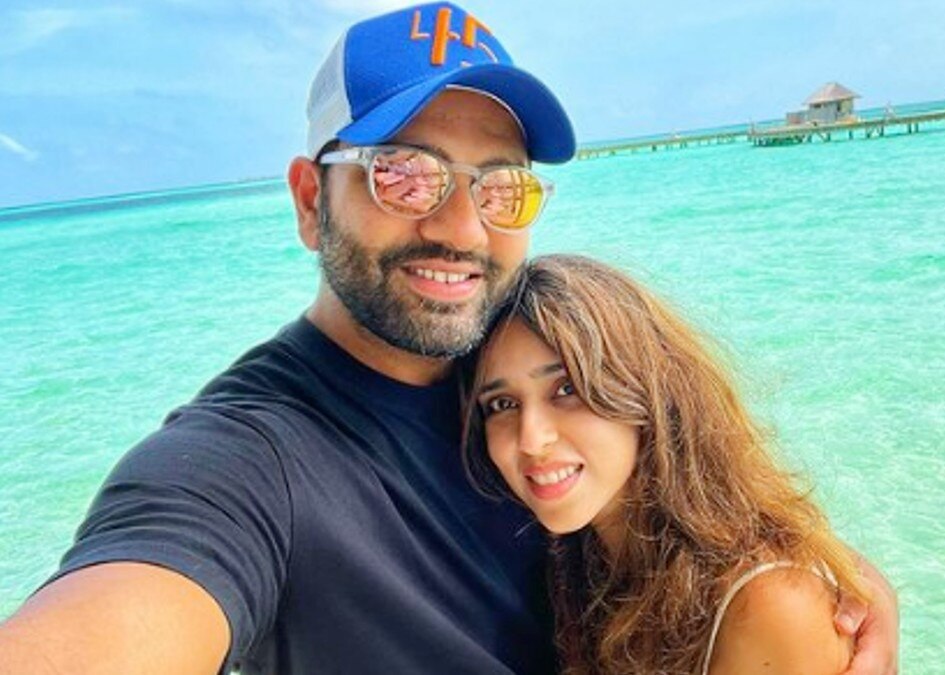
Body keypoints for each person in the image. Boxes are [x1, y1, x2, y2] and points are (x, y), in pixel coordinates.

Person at [0, 3, 898, 674]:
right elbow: (126, 599)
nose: (463, 228)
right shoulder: (245, 461)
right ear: (311, 201)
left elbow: (683, 489)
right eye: (402, 174)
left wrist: (811, 589)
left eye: (500, 186)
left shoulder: (508, 359)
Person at [466, 254, 872, 674]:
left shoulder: (768, 603)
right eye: (502, 404)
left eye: (567, 388)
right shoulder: (581, 565)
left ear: (646, 390)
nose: (531, 440)